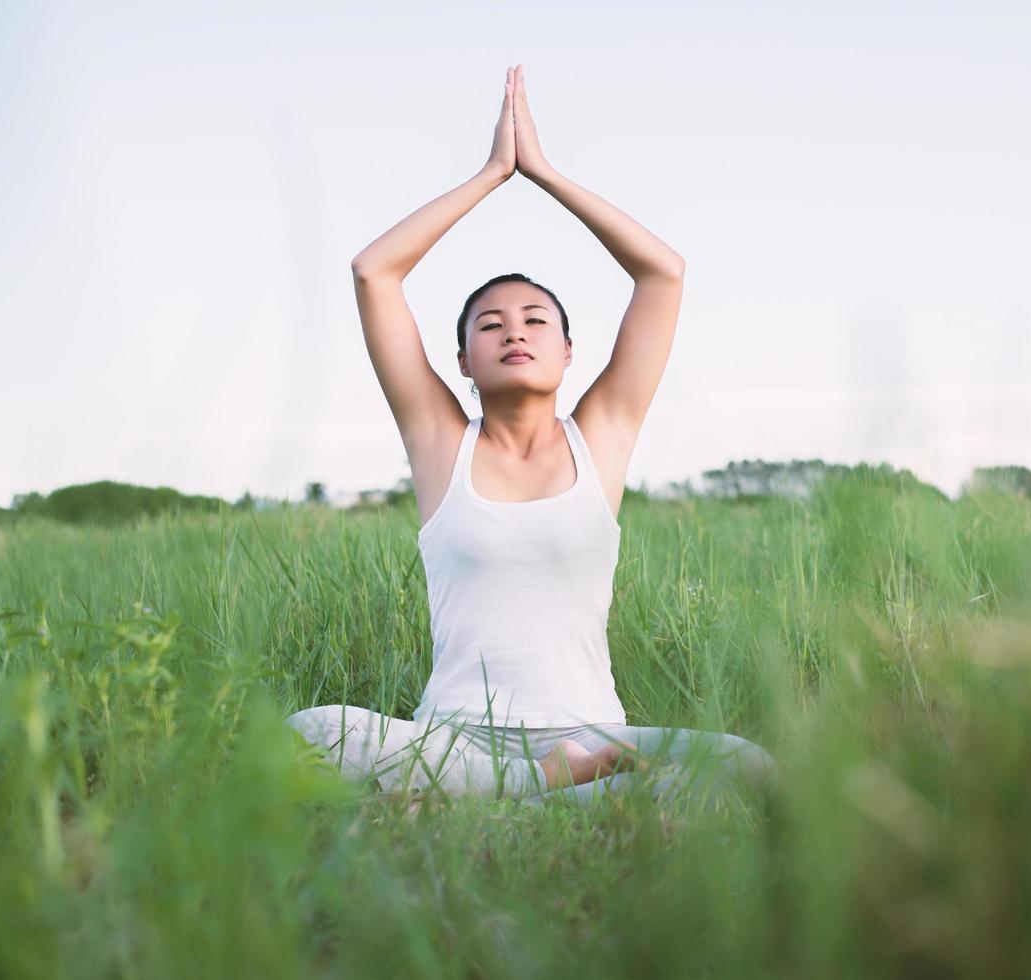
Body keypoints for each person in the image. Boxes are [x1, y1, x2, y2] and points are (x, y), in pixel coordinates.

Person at [285, 65, 778, 807]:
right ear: (462, 364)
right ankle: (535, 793)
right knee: (309, 731)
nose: (513, 330)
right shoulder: (440, 446)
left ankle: (502, 809)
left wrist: (543, 172)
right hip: (453, 736)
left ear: (568, 352)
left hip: (591, 735)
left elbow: (663, 275)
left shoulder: (601, 436)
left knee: (747, 766)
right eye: (490, 324)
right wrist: (491, 175)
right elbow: (373, 271)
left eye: (534, 320)